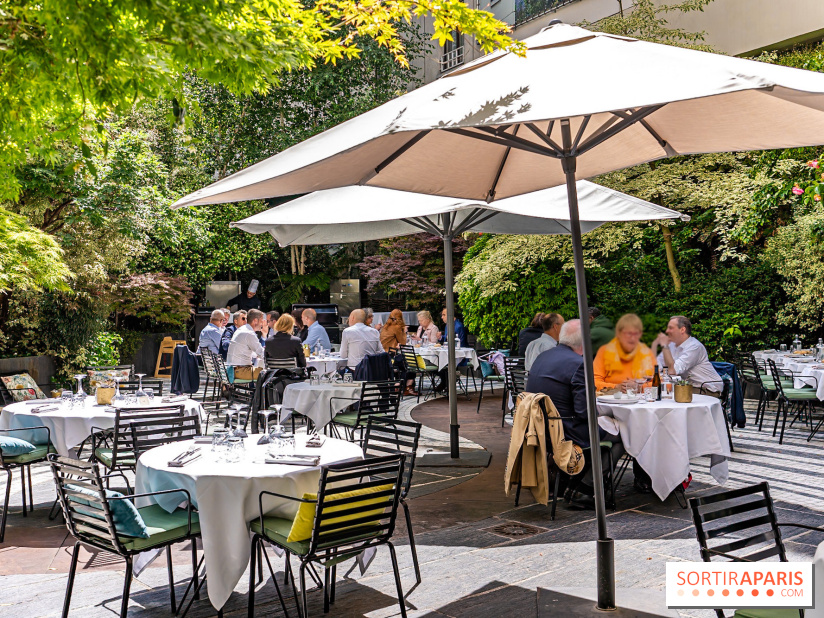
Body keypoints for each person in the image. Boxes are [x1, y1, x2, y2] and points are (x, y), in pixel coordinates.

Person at [525, 319, 625, 509]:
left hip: (539, 430)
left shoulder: (543, 357)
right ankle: (584, 490)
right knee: (623, 436)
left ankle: (571, 482)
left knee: (605, 428)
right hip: (565, 432)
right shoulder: (579, 364)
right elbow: (584, 413)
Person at [652, 315, 722, 395]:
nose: (667, 331)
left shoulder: (694, 347)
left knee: (666, 394)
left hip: (707, 389)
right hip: (687, 386)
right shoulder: (672, 345)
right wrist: (654, 344)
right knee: (654, 390)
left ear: (682, 330)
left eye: (670, 328)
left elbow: (672, 371)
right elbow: (656, 366)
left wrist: (665, 346)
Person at [592, 313, 655, 392]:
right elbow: (593, 382)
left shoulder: (647, 353)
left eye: (636, 334)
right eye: (629, 334)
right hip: (613, 397)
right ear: (619, 333)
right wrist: (615, 387)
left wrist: (640, 387)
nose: (633, 338)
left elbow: (661, 383)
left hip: (640, 398)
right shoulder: (604, 351)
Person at [227, 308, 266, 380]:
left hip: (234, 369)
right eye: (261, 321)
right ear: (255, 320)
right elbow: (261, 353)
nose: (262, 324)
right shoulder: (249, 333)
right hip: (240, 370)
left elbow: (253, 353)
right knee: (268, 373)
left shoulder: (243, 329)